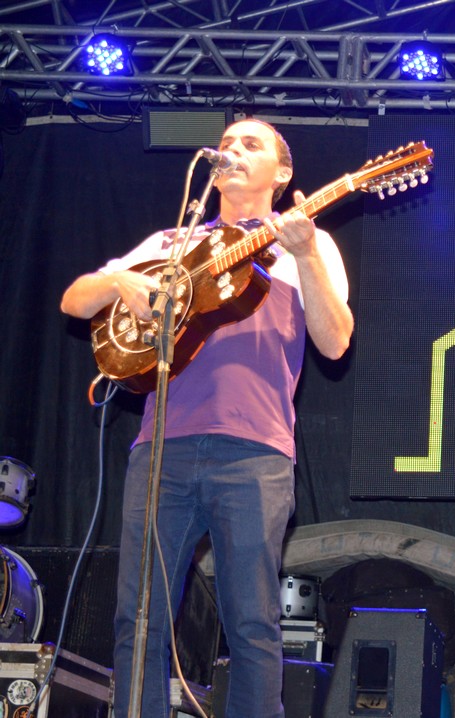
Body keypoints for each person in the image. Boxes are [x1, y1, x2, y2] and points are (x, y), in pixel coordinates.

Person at [60, 118, 354, 717]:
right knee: (137, 617)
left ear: (284, 172)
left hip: (255, 454)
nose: (233, 150)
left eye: (252, 144)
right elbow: (75, 299)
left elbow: (336, 342)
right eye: (228, 142)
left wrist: (303, 254)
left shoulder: (308, 244)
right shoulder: (171, 241)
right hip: (160, 449)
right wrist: (120, 280)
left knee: (251, 621)